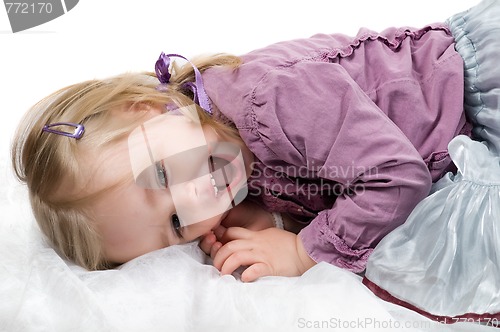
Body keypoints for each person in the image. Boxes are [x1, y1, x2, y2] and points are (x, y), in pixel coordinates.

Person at [12, 4, 473, 283]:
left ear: (146, 108)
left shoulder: (273, 97)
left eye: (160, 174)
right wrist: (272, 217)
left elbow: (394, 177)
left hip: (472, 94)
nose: (195, 199)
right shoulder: (217, 144)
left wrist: (303, 250)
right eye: (175, 223)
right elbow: (323, 180)